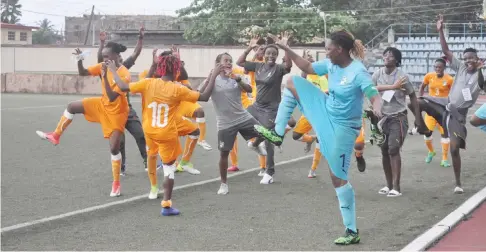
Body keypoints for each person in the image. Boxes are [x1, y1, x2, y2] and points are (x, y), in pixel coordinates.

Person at [253, 30, 383, 245]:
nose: (326, 51)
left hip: (343, 127)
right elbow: (308, 68)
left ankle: (351, 231)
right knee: (292, 81)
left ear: (339, 50)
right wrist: (285, 48)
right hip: (326, 110)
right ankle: (277, 134)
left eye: (328, 48)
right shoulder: (331, 64)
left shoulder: (358, 71)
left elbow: (373, 94)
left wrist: (378, 108)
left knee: (337, 178)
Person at [108, 52, 217, 216]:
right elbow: (205, 97)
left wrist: (112, 71)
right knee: (168, 169)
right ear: (177, 71)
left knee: (151, 156)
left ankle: (153, 187)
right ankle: (166, 204)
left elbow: (123, 87)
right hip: (166, 133)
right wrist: (214, 75)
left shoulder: (148, 83)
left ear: (160, 68)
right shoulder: (178, 88)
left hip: (149, 130)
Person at [36, 42, 131, 197]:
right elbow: (83, 72)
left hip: (117, 113)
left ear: (116, 56)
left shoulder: (124, 73)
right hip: (102, 105)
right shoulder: (103, 65)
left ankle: (116, 184)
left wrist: (108, 74)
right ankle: (56, 135)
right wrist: (80, 59)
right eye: (104, 56)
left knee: (114, 148)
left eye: (107, 56)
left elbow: (113, 97)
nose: (104, 59)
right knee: (72, 106)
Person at [411, 15, 485, 194]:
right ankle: (422, 127)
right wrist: (440, 30)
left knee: (454, 149)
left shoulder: (480, 74)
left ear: (477, 59)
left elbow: (483, 86)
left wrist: (481, 69)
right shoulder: (459, 67)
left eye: (471, 58)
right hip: (444, 104)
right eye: (465, 58)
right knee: (415, 102)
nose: (468, 61)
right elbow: (445, 49)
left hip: (458, 114)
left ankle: (458, 183)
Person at [201, 53, 267, 195]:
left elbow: (249, 90)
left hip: (243, 117)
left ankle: (254, 145)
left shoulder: (235, 76)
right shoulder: (213, 78)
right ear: (218, 63)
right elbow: (201, 94)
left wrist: (237, 79)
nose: (229, 63)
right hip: (225, 123)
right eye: (226, 61)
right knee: (224, 154)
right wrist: (211, 77)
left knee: (265, 133)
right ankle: (223, 184)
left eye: (230, 61)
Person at [236, 32, 292, 184]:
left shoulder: (279, 69)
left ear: (276, 55)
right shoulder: (258, 66)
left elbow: (288, 65)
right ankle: (255, 144)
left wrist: (285, 47)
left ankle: (269, 171)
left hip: (271, 109)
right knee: (240, 122)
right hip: (256, 106)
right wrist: (249, 48)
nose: (271, 56)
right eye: (268, 53)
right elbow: (239, 62)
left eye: (274, 53)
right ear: (264, 55)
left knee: (269, 138)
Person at [371, 47, 422, 197]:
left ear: (397, 60)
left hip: (398, 117)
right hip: (381, 118)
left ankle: (396, 187)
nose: (387, 57)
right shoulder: (377, 74)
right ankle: (388, 185)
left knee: (393, 149)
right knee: (384, 150)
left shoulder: (402, 77)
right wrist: (375, 107)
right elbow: (370, 90)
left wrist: (418, 119)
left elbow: (413, 96)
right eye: (385, 54)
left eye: (391, 55)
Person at [140, 50, 202, 175]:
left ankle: (182, 163)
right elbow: (143, 84)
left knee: (194, 130)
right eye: (163, 59)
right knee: (154, 150)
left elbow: (184, 78)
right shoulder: (148, 75)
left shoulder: (173, 73)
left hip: (172, 115)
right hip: (152, 118)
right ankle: (159, 175)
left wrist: (179, 61)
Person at [97, 28, 147, 175]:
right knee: (120, 142)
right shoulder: (104, 68)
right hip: (112, 111)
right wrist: (101, 42)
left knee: (140, 134)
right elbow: (100, 57)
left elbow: (136, 53)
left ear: (118, 56)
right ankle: (121, 168)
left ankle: (148, 161)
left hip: (127, 109)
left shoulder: (124, 67)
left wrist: (141, 38)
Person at [418, 58, 454, 167]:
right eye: (436, 67)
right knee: (427, 132)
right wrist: (420, 98)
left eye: (440, 67)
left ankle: (444, 159)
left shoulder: (449, 79)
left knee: (445, 134)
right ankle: (431, 151)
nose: (437, 69)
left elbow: (453, 94)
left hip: (443, 110)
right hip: (430, 109)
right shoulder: (429, 76)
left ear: (444, 68)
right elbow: (422, 87)